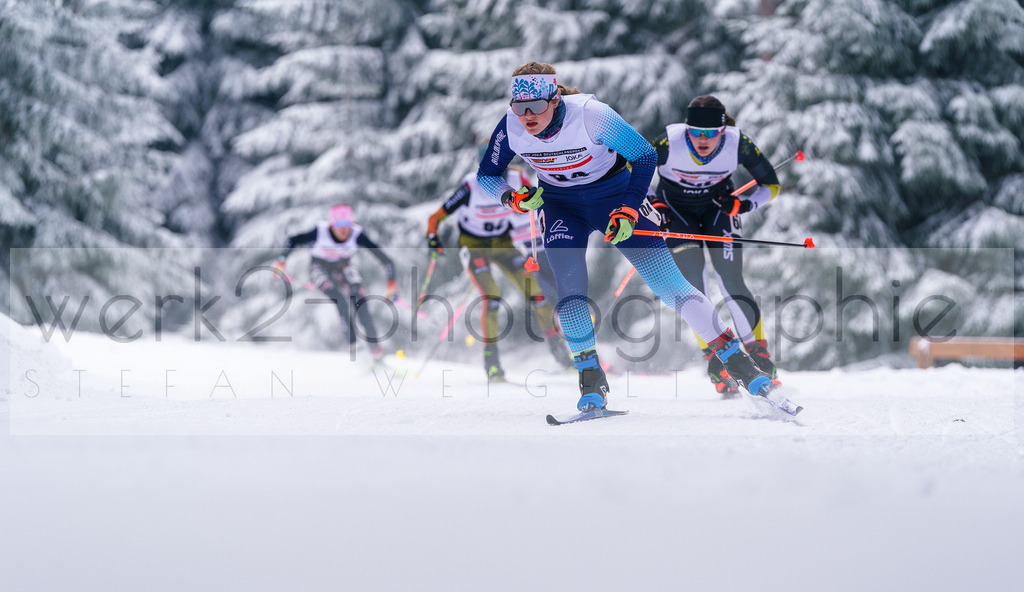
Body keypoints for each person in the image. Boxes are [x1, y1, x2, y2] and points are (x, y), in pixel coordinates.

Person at [476, 61, 771, 412]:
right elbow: (487, 175)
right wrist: (512, 197)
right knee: (570, 295)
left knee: (671, 288)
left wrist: (631, 208)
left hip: (613, 199)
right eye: (519, 107)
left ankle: (740, 364)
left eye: (536, 106)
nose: (527, 116)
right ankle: (591, 381)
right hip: (560, 207)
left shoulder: (591, 115)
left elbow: (644, 155)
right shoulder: (510, 126)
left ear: (555, 100)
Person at [649, 95, 781, 396]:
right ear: (686, 128)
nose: (702, 139)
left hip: (718, 210)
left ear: (723, 130)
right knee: (694, 287)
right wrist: (653, 202)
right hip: (676, 213)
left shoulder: (738, 142)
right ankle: (717, 360)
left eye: (710, 133)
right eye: (695, 132)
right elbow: (634, 173)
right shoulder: (669, 141)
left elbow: (771, 185)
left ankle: (760, 358)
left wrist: (743, 205)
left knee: (731, 281)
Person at [426, 150, 572, 381]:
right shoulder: (470, 186)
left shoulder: (517, 179)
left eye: (501, 169)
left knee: (538, 296)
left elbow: (535, 198)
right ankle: (492, 364)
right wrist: (433, 238)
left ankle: (563, 356)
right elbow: (435, 217)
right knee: (492, 298)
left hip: (504, 244)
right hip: (474, 247)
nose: (498, 177)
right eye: (492, 171)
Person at [273, 204, 397, 361]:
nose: (343, 229)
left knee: (360, 301)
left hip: (343, 267)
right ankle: (355, 348)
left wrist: (392, 283)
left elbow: (386, 260)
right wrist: (281, 261)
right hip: (320, 267)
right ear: (331, 224)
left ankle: (376, 351)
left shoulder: (357, 234)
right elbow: (293, 240)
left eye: (347, 224)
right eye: (339, 224)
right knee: (340, 300)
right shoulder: (320, 231)